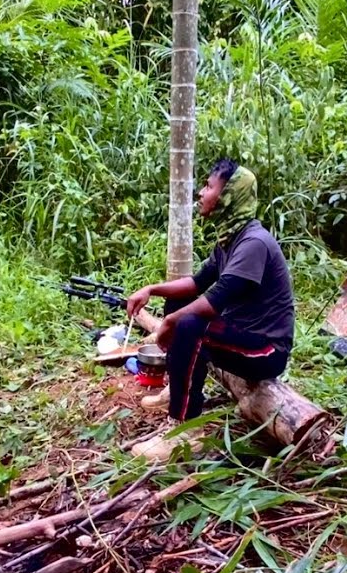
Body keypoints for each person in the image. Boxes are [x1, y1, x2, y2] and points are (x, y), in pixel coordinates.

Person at [125, 158, 295, 460]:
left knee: (190, 325)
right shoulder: (229, 239)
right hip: (241, 335)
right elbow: (196, 284)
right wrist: (150, 289)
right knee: (179, 303)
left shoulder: (254, 243)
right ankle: (180, 389)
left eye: (208, 186)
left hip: (266, 351)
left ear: (229, 195)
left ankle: (185, 432)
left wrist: (169, 324)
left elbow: (214, 300)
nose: (201, 194)